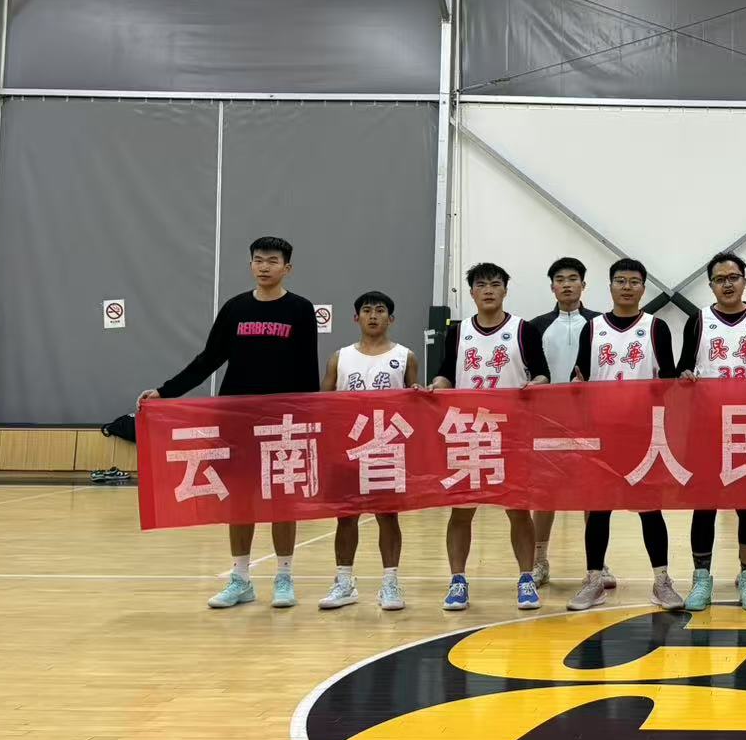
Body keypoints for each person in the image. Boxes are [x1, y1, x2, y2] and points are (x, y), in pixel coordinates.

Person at [138, 236, 319, 610]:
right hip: (236, 419)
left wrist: (309, 417)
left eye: (272, 260)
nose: (264, 266)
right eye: (258, 260)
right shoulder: (235, 308)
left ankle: (284, 577)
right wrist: (166, 391)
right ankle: (240, 579)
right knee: (240, 499)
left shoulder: (300, 310)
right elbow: (209, 359)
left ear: (287, 268)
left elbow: (307, 366)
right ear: (251, 265)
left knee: (281, 499)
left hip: (281, 421)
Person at [431, 261, 550, 611]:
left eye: (495, 284)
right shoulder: (459, 332)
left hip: (511, 433)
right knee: (462, 512)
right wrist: (436, 387)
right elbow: (445, 374)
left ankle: (526, 579)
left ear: (505, 290)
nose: (488, 290)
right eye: (481, 285)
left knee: (518, 511)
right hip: (467, 432)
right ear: (471, 293)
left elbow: (542, 373)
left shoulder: (523, 329)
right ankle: (457, 580)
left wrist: (536, 384)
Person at [567, 258, 681, 612]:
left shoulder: (655, 327)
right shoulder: (593, 328)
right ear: (610, 286)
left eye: (634, 281)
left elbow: (669, 378)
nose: (627, 287)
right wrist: (575, 386)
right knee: (599, 508)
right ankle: (594, 580)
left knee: (649, 509)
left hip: (642, 434)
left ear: (643, 288)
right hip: (601, 433)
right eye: (620, 281)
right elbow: (580, 375)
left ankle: (662, 581)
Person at [678, 251, 746, 613]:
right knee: (704, 506)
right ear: (711, 285)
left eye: (733, 277)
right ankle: (701, 579)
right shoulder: (698, 320)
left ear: (744, 281)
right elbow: (681, 368)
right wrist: (684, 377)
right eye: (720, 279)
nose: (727, 284)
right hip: (707, 427)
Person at [317, 291, 417, 613]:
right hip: (348, 450)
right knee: (346, 516)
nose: (373, 315)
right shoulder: (340, 357)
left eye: (380, 310)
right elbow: (323, 404)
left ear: (391, 318)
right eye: (367, 310)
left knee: (387, 516)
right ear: (356, 317)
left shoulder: (405, 356)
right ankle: (344, 582)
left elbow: (416, 406)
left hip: (387, 449)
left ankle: (390, 582)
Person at [526, 256, 601, 589]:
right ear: (552, 287)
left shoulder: (600, 324)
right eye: (560, 279)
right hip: (548, 421)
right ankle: (539, 560)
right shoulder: (535, 326)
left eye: (573, 279)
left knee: (593, 494)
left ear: (583, 285)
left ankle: (596, 564)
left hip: (591, 420)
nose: (567, 285)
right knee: (546, 493)